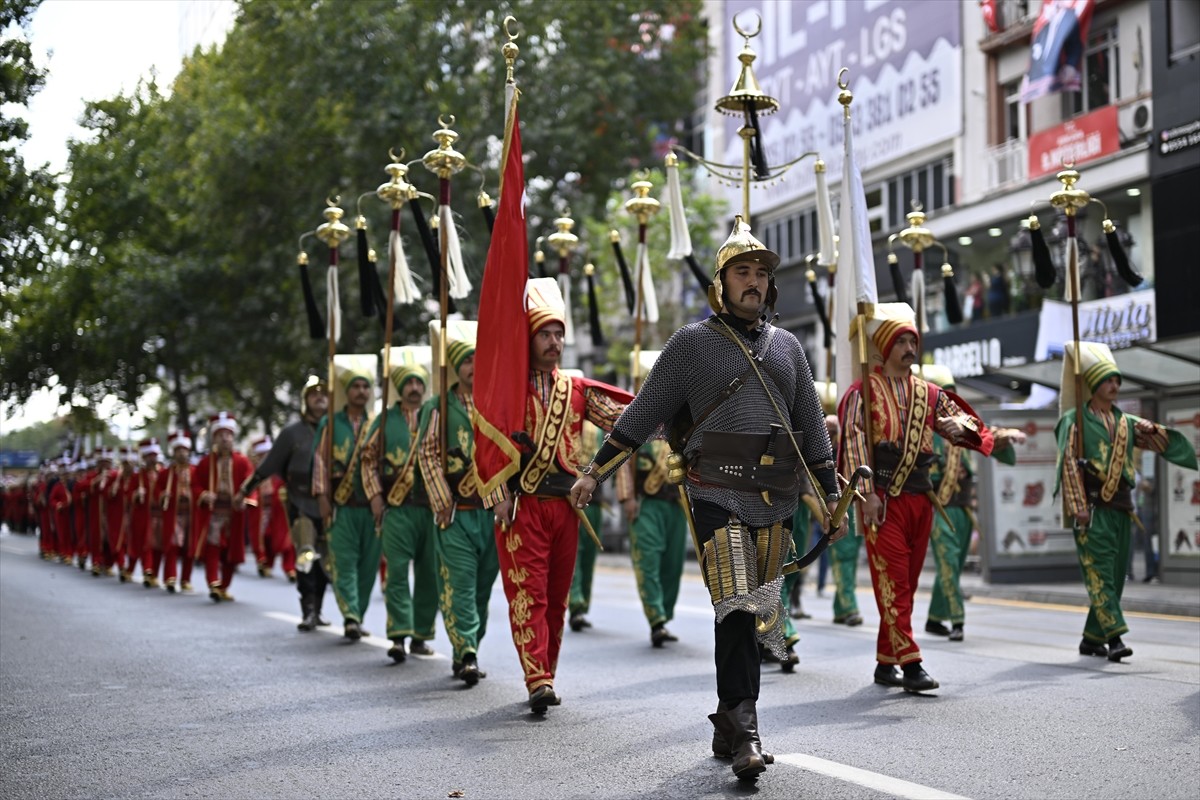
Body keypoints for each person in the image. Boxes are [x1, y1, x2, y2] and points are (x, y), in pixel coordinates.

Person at [571, 218, 843, 781]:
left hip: (776, 493)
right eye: (742, 271)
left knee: (757, 609)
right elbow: (643, 413)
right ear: (721, 283)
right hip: (714, 488)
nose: (754, 281)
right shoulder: (690, 344)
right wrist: (595, 471)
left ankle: (727, 720)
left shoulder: (789, 347)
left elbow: (811, 431)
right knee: (739, 600)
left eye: (762, 273)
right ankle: (747, 731)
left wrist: (832, 492)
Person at [486, 277, 631, 715]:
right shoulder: (506, 387)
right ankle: (537, 678)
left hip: (567, 508)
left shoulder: (576, 387)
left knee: (557, 597)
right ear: (528, 338)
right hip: (524, 505)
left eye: (558, 334)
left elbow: (626, 421)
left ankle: (544, 673)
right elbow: (486, 440)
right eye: (545, 334)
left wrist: (672, 410)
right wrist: (497, 492)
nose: (554, 342)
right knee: (529, 594)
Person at [839, 303, 993, 694]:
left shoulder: (930, 392)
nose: (910, 347)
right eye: (901, 340)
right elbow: (854, 442)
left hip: (921, 499)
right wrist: (866, 495)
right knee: (893, 581)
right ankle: (911, 663)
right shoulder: (862, 390)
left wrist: (952, 425)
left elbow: (971, 425)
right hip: (884, 501)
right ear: (885, 347)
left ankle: (885, 661)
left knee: (904, 582)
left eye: (913, 340)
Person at [1054, 342, 1196, 661]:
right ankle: (1115, 638)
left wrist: (1150, 429)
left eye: (1117, 380)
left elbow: (1158, 442)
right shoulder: (1074, 421)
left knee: (1116, 578)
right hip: (1092, 509)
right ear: (1093, 384)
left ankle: (1092, 639)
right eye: (1108, 380)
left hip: (1122, 509)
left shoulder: (1126, 423)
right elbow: (1068, 466)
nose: (1114, 386)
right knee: (1100, 574)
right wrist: (1077, 506)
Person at [918, 365, 1024, 642]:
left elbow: (985, 434)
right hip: (939, 509)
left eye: (951, 396)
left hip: (963, 509)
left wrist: (1006, 436)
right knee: (950, 564)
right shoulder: (923, 432)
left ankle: (934, 618)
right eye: (942, 396)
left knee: (953, 564)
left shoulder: (962, 426)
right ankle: (957, 619)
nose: (947, 403)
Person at [417, 338, 498, 684]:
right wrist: (442, 500)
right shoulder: (437, 407)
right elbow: (427, 454)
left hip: (492, 512)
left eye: (479, 359)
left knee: (482, 587)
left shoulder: (496, 403)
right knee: (460, 585)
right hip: (457, 512)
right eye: (466, 360)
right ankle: (467, 652)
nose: (473, 366)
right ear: (455, 367)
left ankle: (468, 647)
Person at [237, 377, 331, 630]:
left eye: (324, 394)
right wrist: (245, 489)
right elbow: (268, 466)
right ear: (305, 400)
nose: (320, 398)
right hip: (300, 501)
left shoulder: (336, 429)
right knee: (306, 555)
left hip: (330, 503)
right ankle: (308, 610)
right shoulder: (292, 433)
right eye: (314, 394)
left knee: (326, 559)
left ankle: (319, 609)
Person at [361, 360, 439, 663]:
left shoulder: (436, 416)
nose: (415, 388)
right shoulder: (383, 419)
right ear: (400, 387)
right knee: (395, 572)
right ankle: (397, 635)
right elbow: (368, 459)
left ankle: (420, 635)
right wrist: (375, 497)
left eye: (419, 382)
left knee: (429, 573)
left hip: (431, 507)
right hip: (397, 508)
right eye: (409, 382)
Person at [313, 362, 379, 640]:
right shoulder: (330, 421)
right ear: (347, 391)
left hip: (371, 507)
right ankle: (350, 615)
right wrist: (322, 496)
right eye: (356, 386)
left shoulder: (377, 422)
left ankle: (358, 614)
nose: (361, 391)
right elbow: (320, 460)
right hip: (341, 505)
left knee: (368, 565)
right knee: (344, 562)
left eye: (366, 386)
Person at [615, 432, 688, 648]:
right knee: (648, 561)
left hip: (676, 504)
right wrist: (627, 497)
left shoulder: (679, 420)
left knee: (673, 564)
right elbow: (623, 459)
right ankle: (656, 621)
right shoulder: (637, 417)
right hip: (646, 503)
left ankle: (664, 616)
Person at [192, 412, 253, 602]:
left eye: (228, 434)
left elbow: (252, 483)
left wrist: (246, 499)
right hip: (214, 512)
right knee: (212, 548)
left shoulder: (243, 462)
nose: (225, 438)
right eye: (220, 434)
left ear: (233, 437)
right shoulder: (205, 463)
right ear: (214, 438)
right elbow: (195, 484)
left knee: (231, 553)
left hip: (234, 513)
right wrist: (203, 494)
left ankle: (224, 586)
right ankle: (213, 583)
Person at [568, 420, 606, 633]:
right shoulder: (567, 421)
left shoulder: (599, 429)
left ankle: (582, 605)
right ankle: (575, 606)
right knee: (574, 552)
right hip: (569, 500)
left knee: (589, 556)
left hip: (596, 501)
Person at [245, 436, 297, 581]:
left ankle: (290, 567)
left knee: (285, 539)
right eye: (263, 455)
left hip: (279, 510)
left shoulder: (280, 469)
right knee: (265, 538)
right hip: (261, 509)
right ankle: (265, 562)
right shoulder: (254, 471)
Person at [154, 431, 196, 593]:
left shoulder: (194, 471)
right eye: (178, 450)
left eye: (184, 450)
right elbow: (157, 490)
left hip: (190, 514)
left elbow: (199, 487)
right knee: (172, 545)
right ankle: (170, 577)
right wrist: (162, 495)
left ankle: (185, 579)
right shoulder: (166, 473)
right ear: (173, 452)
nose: (181, 453)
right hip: (173, 514)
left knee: (188, 547)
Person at [130, 438, 164, 588]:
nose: (152, 458)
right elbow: (127, 494)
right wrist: (136, 495)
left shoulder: (163, 474)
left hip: (160, 514)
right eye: (149, 456)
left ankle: (154, 572)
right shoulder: (137, 477)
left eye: (154, 455)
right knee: (146, 543)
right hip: (144, 514)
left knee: (159, 545)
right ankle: (147, 569)